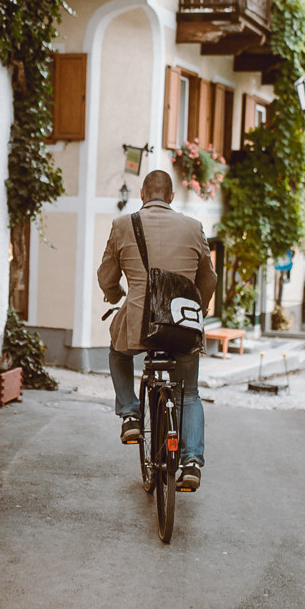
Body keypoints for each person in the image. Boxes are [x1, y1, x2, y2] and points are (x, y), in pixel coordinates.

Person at [97, 169, 216, 491]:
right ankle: (191, 462)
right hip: (181, 323)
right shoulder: (194, 227)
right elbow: (209, 279)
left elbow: (107, 274)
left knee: (118, 353)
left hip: (138, 321)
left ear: (142, 194)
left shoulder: (123, 225)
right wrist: (198, 310)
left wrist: (114, 295)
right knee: (188, 393)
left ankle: (130, 415)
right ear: (172, 196)